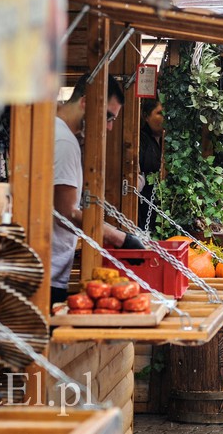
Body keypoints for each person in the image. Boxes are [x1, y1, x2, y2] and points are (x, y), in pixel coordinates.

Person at [51, 73, 144, 305]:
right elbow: (66, 213)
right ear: (85, 102)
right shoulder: (63, 142)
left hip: (48, 266)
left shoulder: (57, 132)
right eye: (108, 117)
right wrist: (120, 237)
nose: (110, 127)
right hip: (47, 273)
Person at [138, 98, 165, 232]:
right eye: (159, 113)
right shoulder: (140, 140)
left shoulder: (165, 142)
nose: (164, 118)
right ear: (146, 116)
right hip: (142, 207)